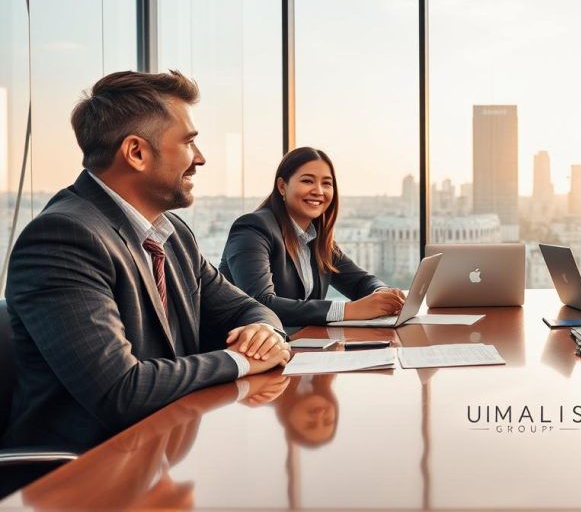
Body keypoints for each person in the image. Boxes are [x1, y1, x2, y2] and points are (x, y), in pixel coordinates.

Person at [2, 71, 290, 453]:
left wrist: (264, 332)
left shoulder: (172, 234)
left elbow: (250, 309)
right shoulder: (62, 238)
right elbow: (121, 392)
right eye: (189, 143)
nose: (200, 158)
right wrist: (239, 361)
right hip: (80, 477)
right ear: (136, 152)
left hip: (163, 452)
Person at [220, 147, 404, 327]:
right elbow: (261, 303)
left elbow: (360, 282)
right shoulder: (253, 228)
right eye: (307, 181)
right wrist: (348, 310)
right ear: (282, 186)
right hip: (240, 347)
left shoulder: (315, 237)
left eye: (326, 183)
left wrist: (384, 295)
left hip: (297, 344)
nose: (319, 191)